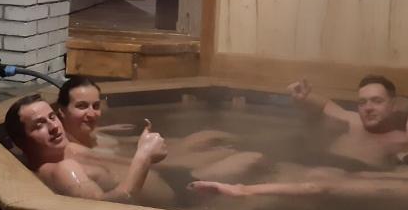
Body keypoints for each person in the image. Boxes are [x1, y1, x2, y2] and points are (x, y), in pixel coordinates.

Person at [189, 101, 408, 199]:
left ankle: (243, 190)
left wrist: (369, 177)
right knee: (316, 174)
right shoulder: (399, 152)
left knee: (322, 185)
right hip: (395, 186)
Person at [54, 75, 261, 181]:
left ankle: (254, 139)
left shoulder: (92, 134)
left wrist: (118, 135)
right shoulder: (75, 151)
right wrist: (185, 161)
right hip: (170, 175)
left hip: (155, 163)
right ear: (62, 111)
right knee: (251, 157)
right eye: (82, 106)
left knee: (207, 136)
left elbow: (126, 148)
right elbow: (139, 164)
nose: (92, 113)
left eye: (96, 106)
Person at [4, 93, 167, 202]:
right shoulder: (64, 170)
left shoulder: (62, 149)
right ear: (21, 142)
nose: (54, 127)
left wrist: (102, 130)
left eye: (52, 117)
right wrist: (144, 156)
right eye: (39, 125)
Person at [287, 74, 408, 167]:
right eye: (362, 102)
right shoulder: (353, 121)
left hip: (354, 182)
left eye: (377, 101)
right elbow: (323, 105)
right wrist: (302, 98)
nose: (368, 108)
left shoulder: (401, 139)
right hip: (317, 169)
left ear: (393, 105)